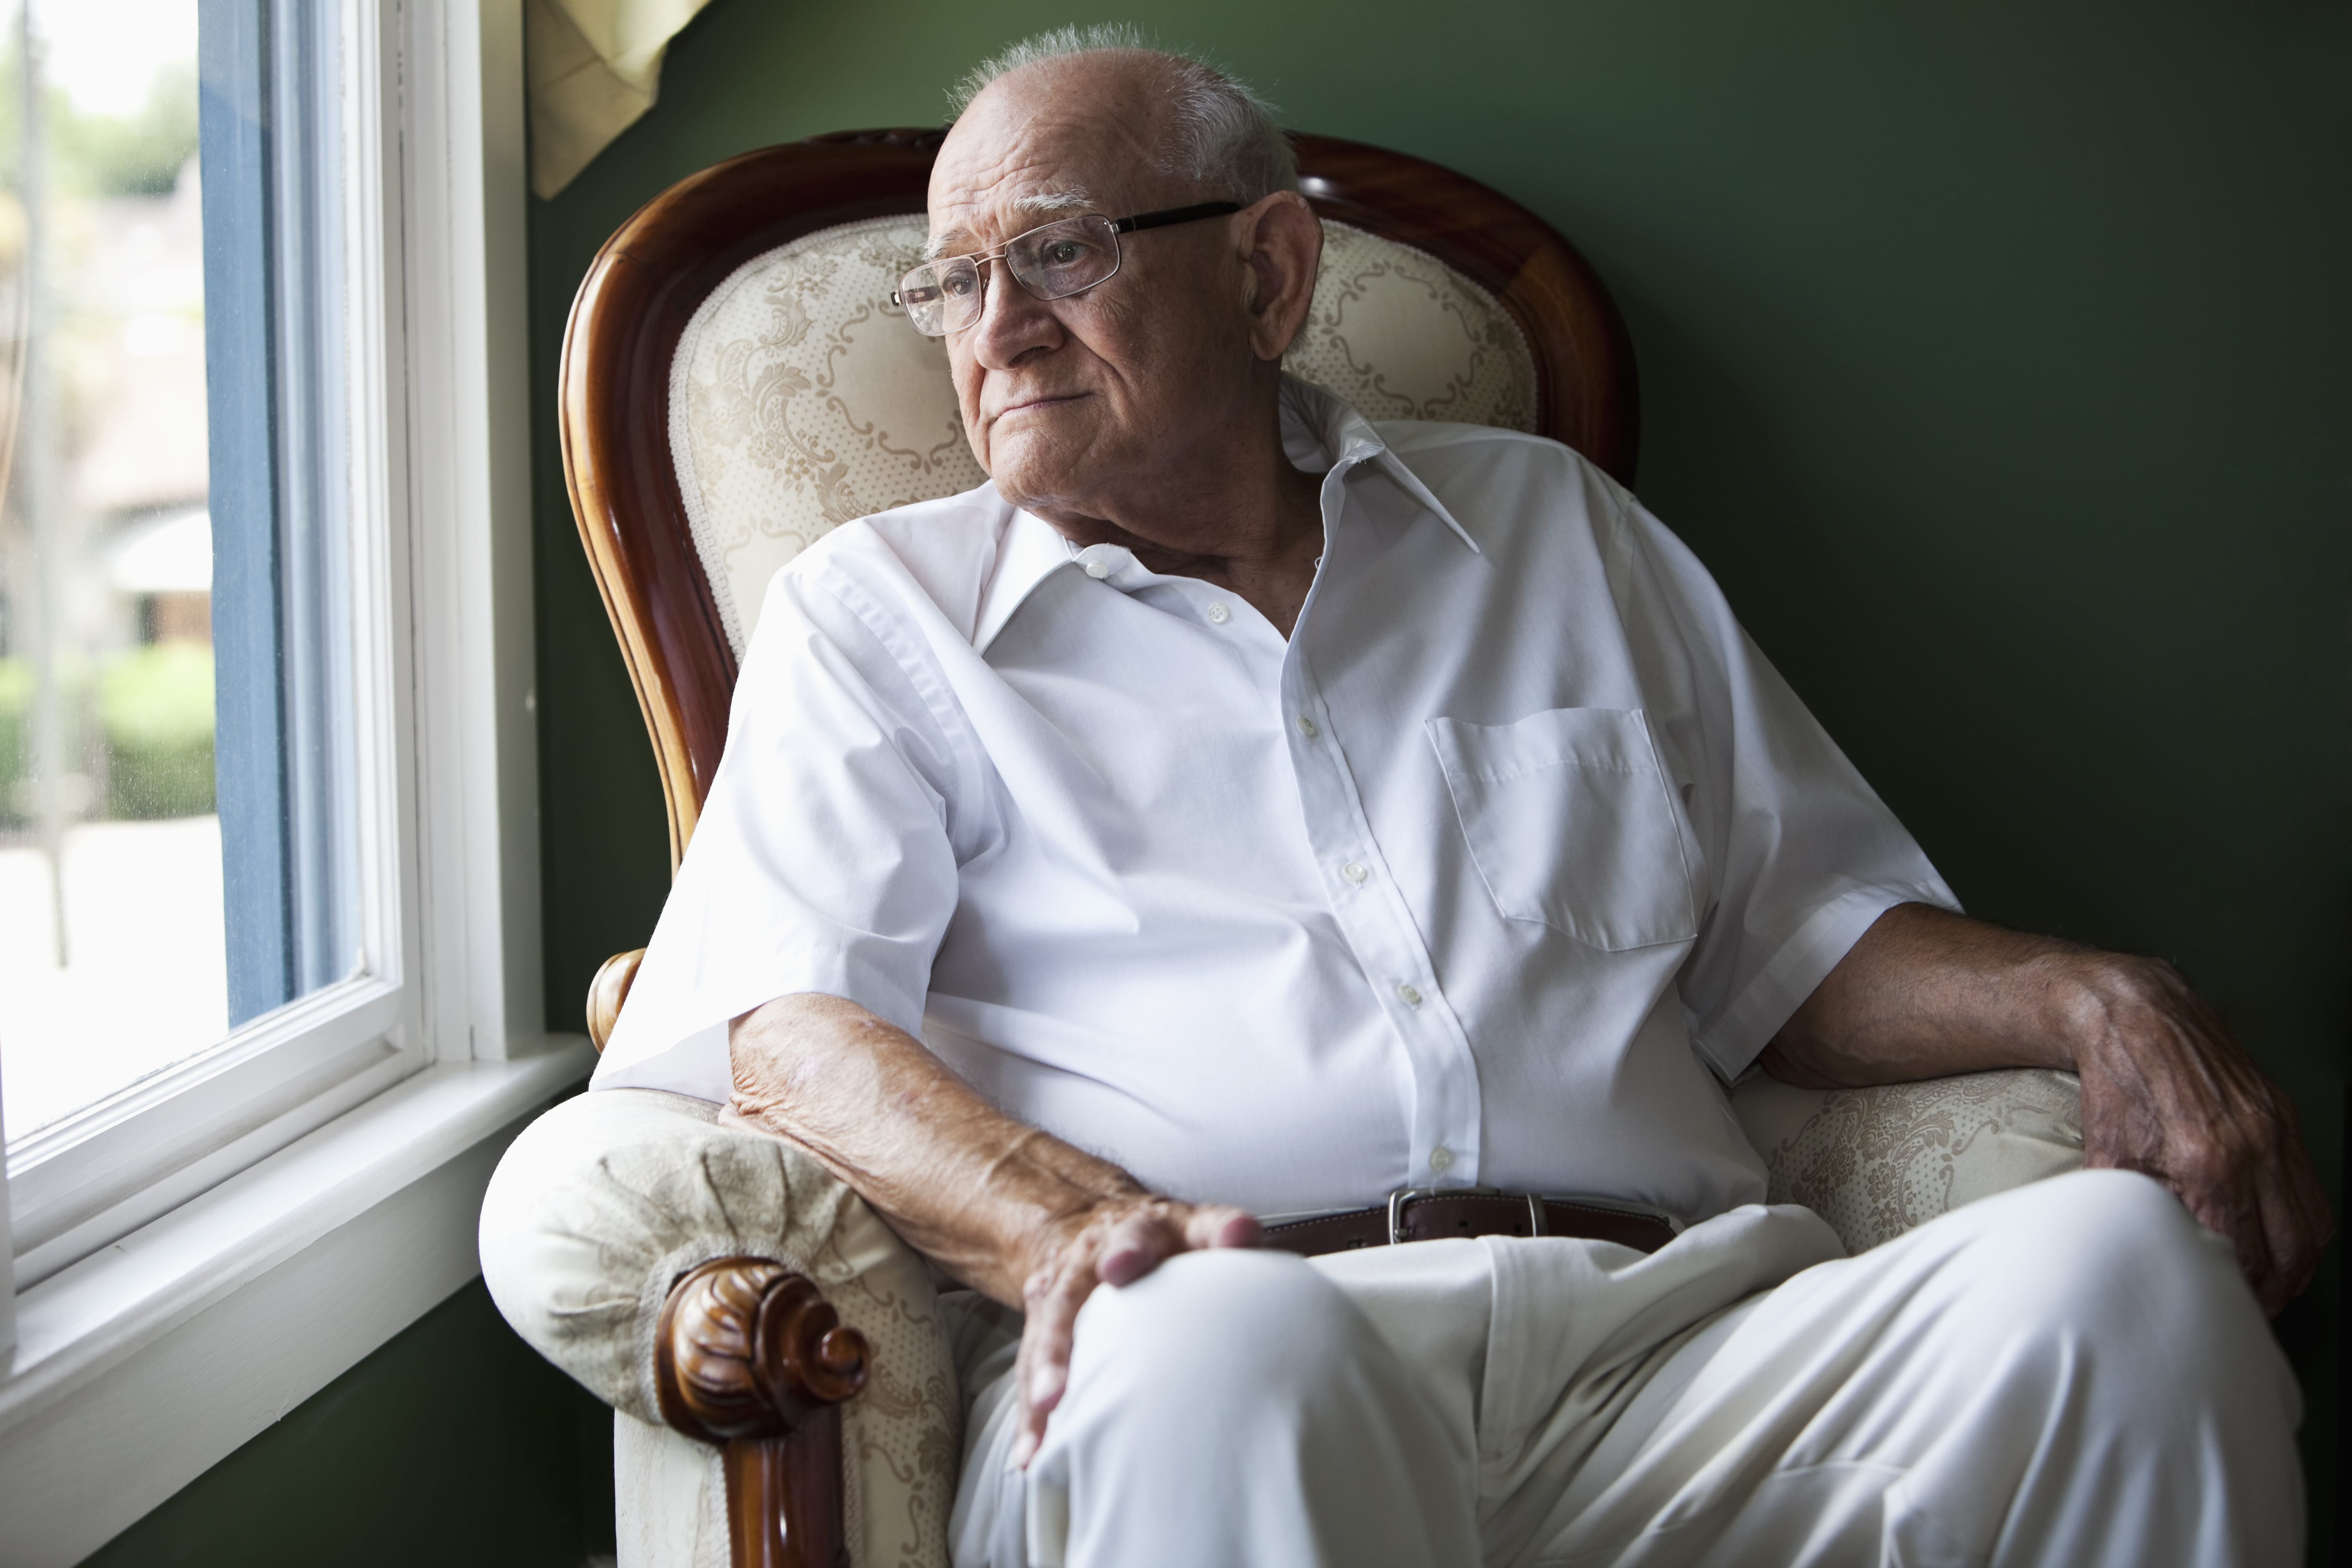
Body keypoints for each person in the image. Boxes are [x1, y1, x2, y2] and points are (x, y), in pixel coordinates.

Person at [591, 24, 2330, 1566]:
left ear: (1270, 275)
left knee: (2124, 1278)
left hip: (1677, 1346)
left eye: (1056, 251)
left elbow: (1792, 940)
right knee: (1224, 1345)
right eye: (953, 281)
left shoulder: (1552, 530)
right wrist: (1072, 1225)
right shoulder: (878, 616)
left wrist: (2101, 993)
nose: (997, 327)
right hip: (1228, 1334)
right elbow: (781, 1027)